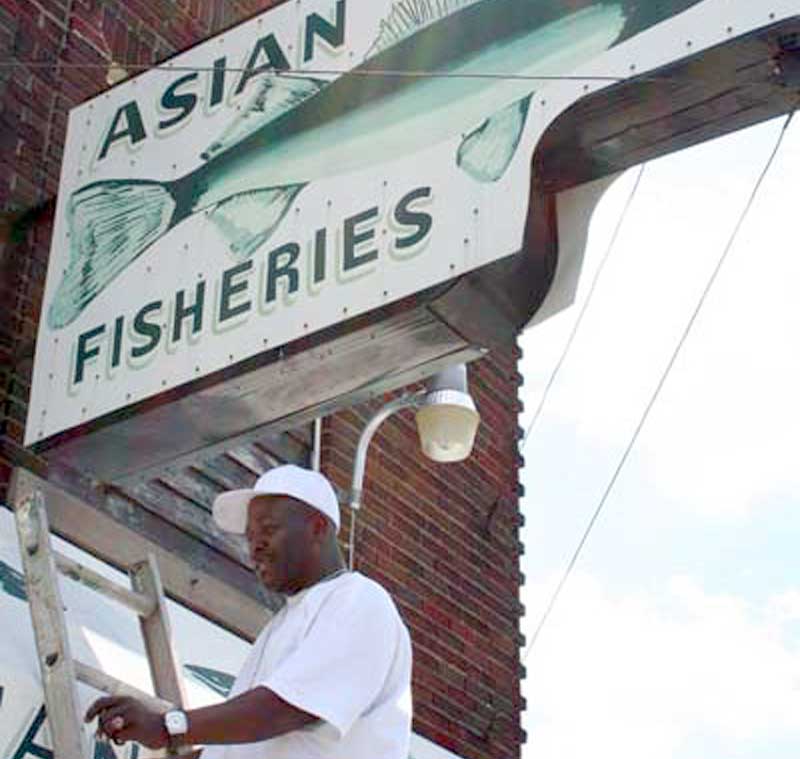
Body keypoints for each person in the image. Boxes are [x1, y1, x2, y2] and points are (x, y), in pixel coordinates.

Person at [85, 464, 413, 758]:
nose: (254, 547)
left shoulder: (360, 600)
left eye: (268, 530)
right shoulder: (282, 625)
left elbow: (284, 709)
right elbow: (240, 744)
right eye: (250, 536)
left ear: (317, 528)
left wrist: (167, 726)